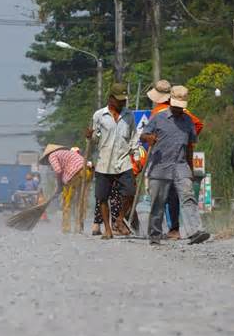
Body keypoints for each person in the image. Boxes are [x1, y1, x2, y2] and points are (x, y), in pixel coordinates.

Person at [140, 86, 210, 246]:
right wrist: (148, 137)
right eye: (176, 106)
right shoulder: (158, 118)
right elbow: (143, 135)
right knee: (158, 202)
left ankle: (195, 231)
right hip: (160, 166)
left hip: (180, 165)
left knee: (188, 197)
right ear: (171, 102)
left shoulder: (188, 121)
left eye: (181, 107)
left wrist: (190, 169)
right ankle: (155, 234)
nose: (179, 109)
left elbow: (190, 147)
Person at [86, 83, 139, 239]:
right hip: (104, 162)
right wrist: (90, 136)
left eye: (124, 100)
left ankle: (119, 219)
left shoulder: (129, 116)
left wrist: (135, 156)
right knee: (102, 198)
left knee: (130, 193)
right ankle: (108, 229)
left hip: (123, 161)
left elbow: (133, 137)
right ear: (110, 98)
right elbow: (96, 139)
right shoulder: (99, 116)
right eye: (119, 100)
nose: (122, 103)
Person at [39, 144, 86, 234]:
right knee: (80, 200)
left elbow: (58, 170)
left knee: (67, 202)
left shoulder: (52, 156)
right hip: (87, 171)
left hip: (75, 174)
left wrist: (60, 185)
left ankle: (66, 228)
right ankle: (79, 226)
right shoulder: (65, 153)